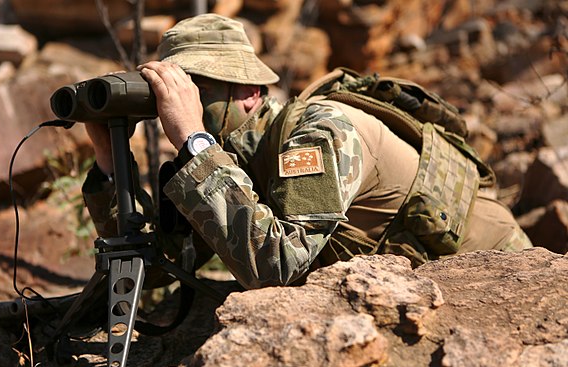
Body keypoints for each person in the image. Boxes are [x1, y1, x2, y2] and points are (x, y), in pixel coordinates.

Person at [82, 13, 532, 290]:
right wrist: (108, 166)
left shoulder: (320, 132)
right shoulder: (229, 156)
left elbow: (277, 266)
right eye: (171, 88)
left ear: (250, 92)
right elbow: (162, 270)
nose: (178, 102)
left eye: (195, 86)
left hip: (500, 276)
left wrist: (194, 143)